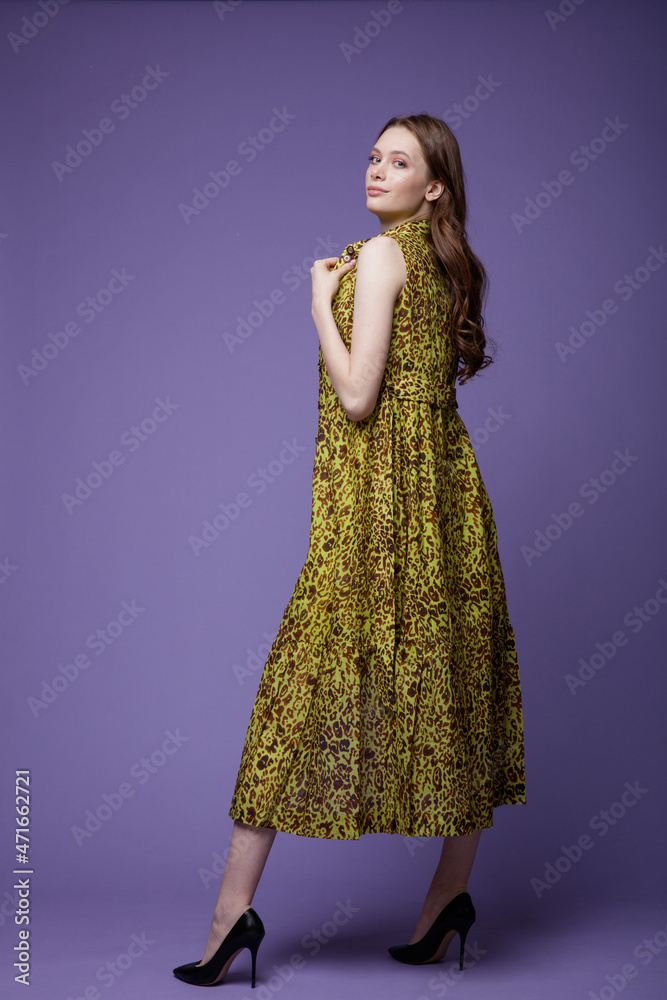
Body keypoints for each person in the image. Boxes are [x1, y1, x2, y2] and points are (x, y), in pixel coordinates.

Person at [173, 113, 526, 988]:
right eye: (373, 155)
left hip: (375, 506)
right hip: (446, 498)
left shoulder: (378, 259)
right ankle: (447, 896)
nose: (376, 169)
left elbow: (360, 396)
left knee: (300, 685)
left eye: (399, 160)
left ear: (433, 185)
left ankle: (229, 918)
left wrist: (313, 306)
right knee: (455, 678)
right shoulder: (448, 265)